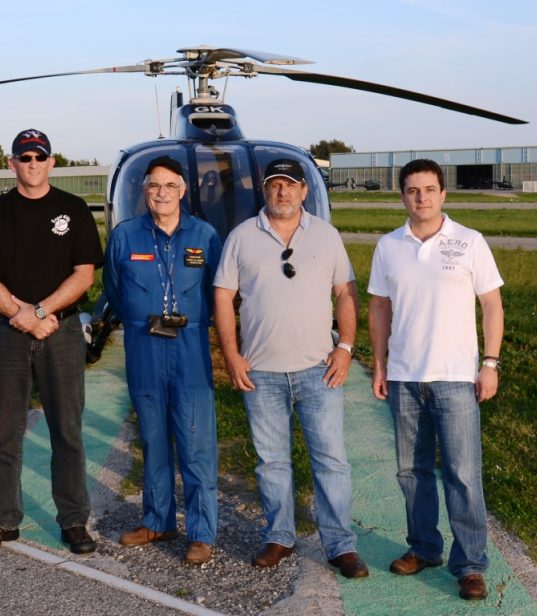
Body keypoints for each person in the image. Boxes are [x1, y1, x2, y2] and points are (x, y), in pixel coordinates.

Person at [214, 158, 368, 578]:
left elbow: (346, 291)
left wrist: (347, 347)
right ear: (264, 191)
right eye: (274, 185)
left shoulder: (327, 235)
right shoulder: (241, 237)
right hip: (261, 372)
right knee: (271, 462)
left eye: (291, 185)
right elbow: (224, 298)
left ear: (304, 191)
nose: (282, 192)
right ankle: (279, 536)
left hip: (319, 370)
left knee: (332, 461)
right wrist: (231, 354)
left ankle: (340, 545)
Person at [367, 158, 504, 601]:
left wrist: (490, 363)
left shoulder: (469, 242)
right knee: (412, 472)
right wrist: (381, 364)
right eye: (412, 190)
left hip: (456, 378)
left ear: (443, 194)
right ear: (402, 196)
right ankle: (423, 548)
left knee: (463, 474)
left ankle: (469, 564)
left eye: (429, 189)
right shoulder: (389, 246)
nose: (421, 197)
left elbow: (492, 306)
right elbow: (379, 309)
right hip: (406, 378)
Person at [0, 129, 104, 554]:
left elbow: (84, 275)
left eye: (39, 157)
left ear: (50, 163)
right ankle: (4, 520)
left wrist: (41, 313)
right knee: (5, 433)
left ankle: (74, 520)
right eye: (24, 157)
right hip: (7, 333)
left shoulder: (73, 208)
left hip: (60, 333)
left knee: (67, 431)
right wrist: (21, 316)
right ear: (12, 164)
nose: (32, 163)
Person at [103, 156, 221, 565]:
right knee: (153, 439)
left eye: (170, 186)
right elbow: (114, 290)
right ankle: (158, 521)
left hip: (190, 349)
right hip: (143, 346)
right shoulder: (125, 236)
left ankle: (202, 532)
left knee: (195, 443)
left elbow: (217, 289)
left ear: (183, 190)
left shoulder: (204, 236)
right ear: (144, 189)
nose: (161, 193)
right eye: (154, 186)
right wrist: (141, 315)